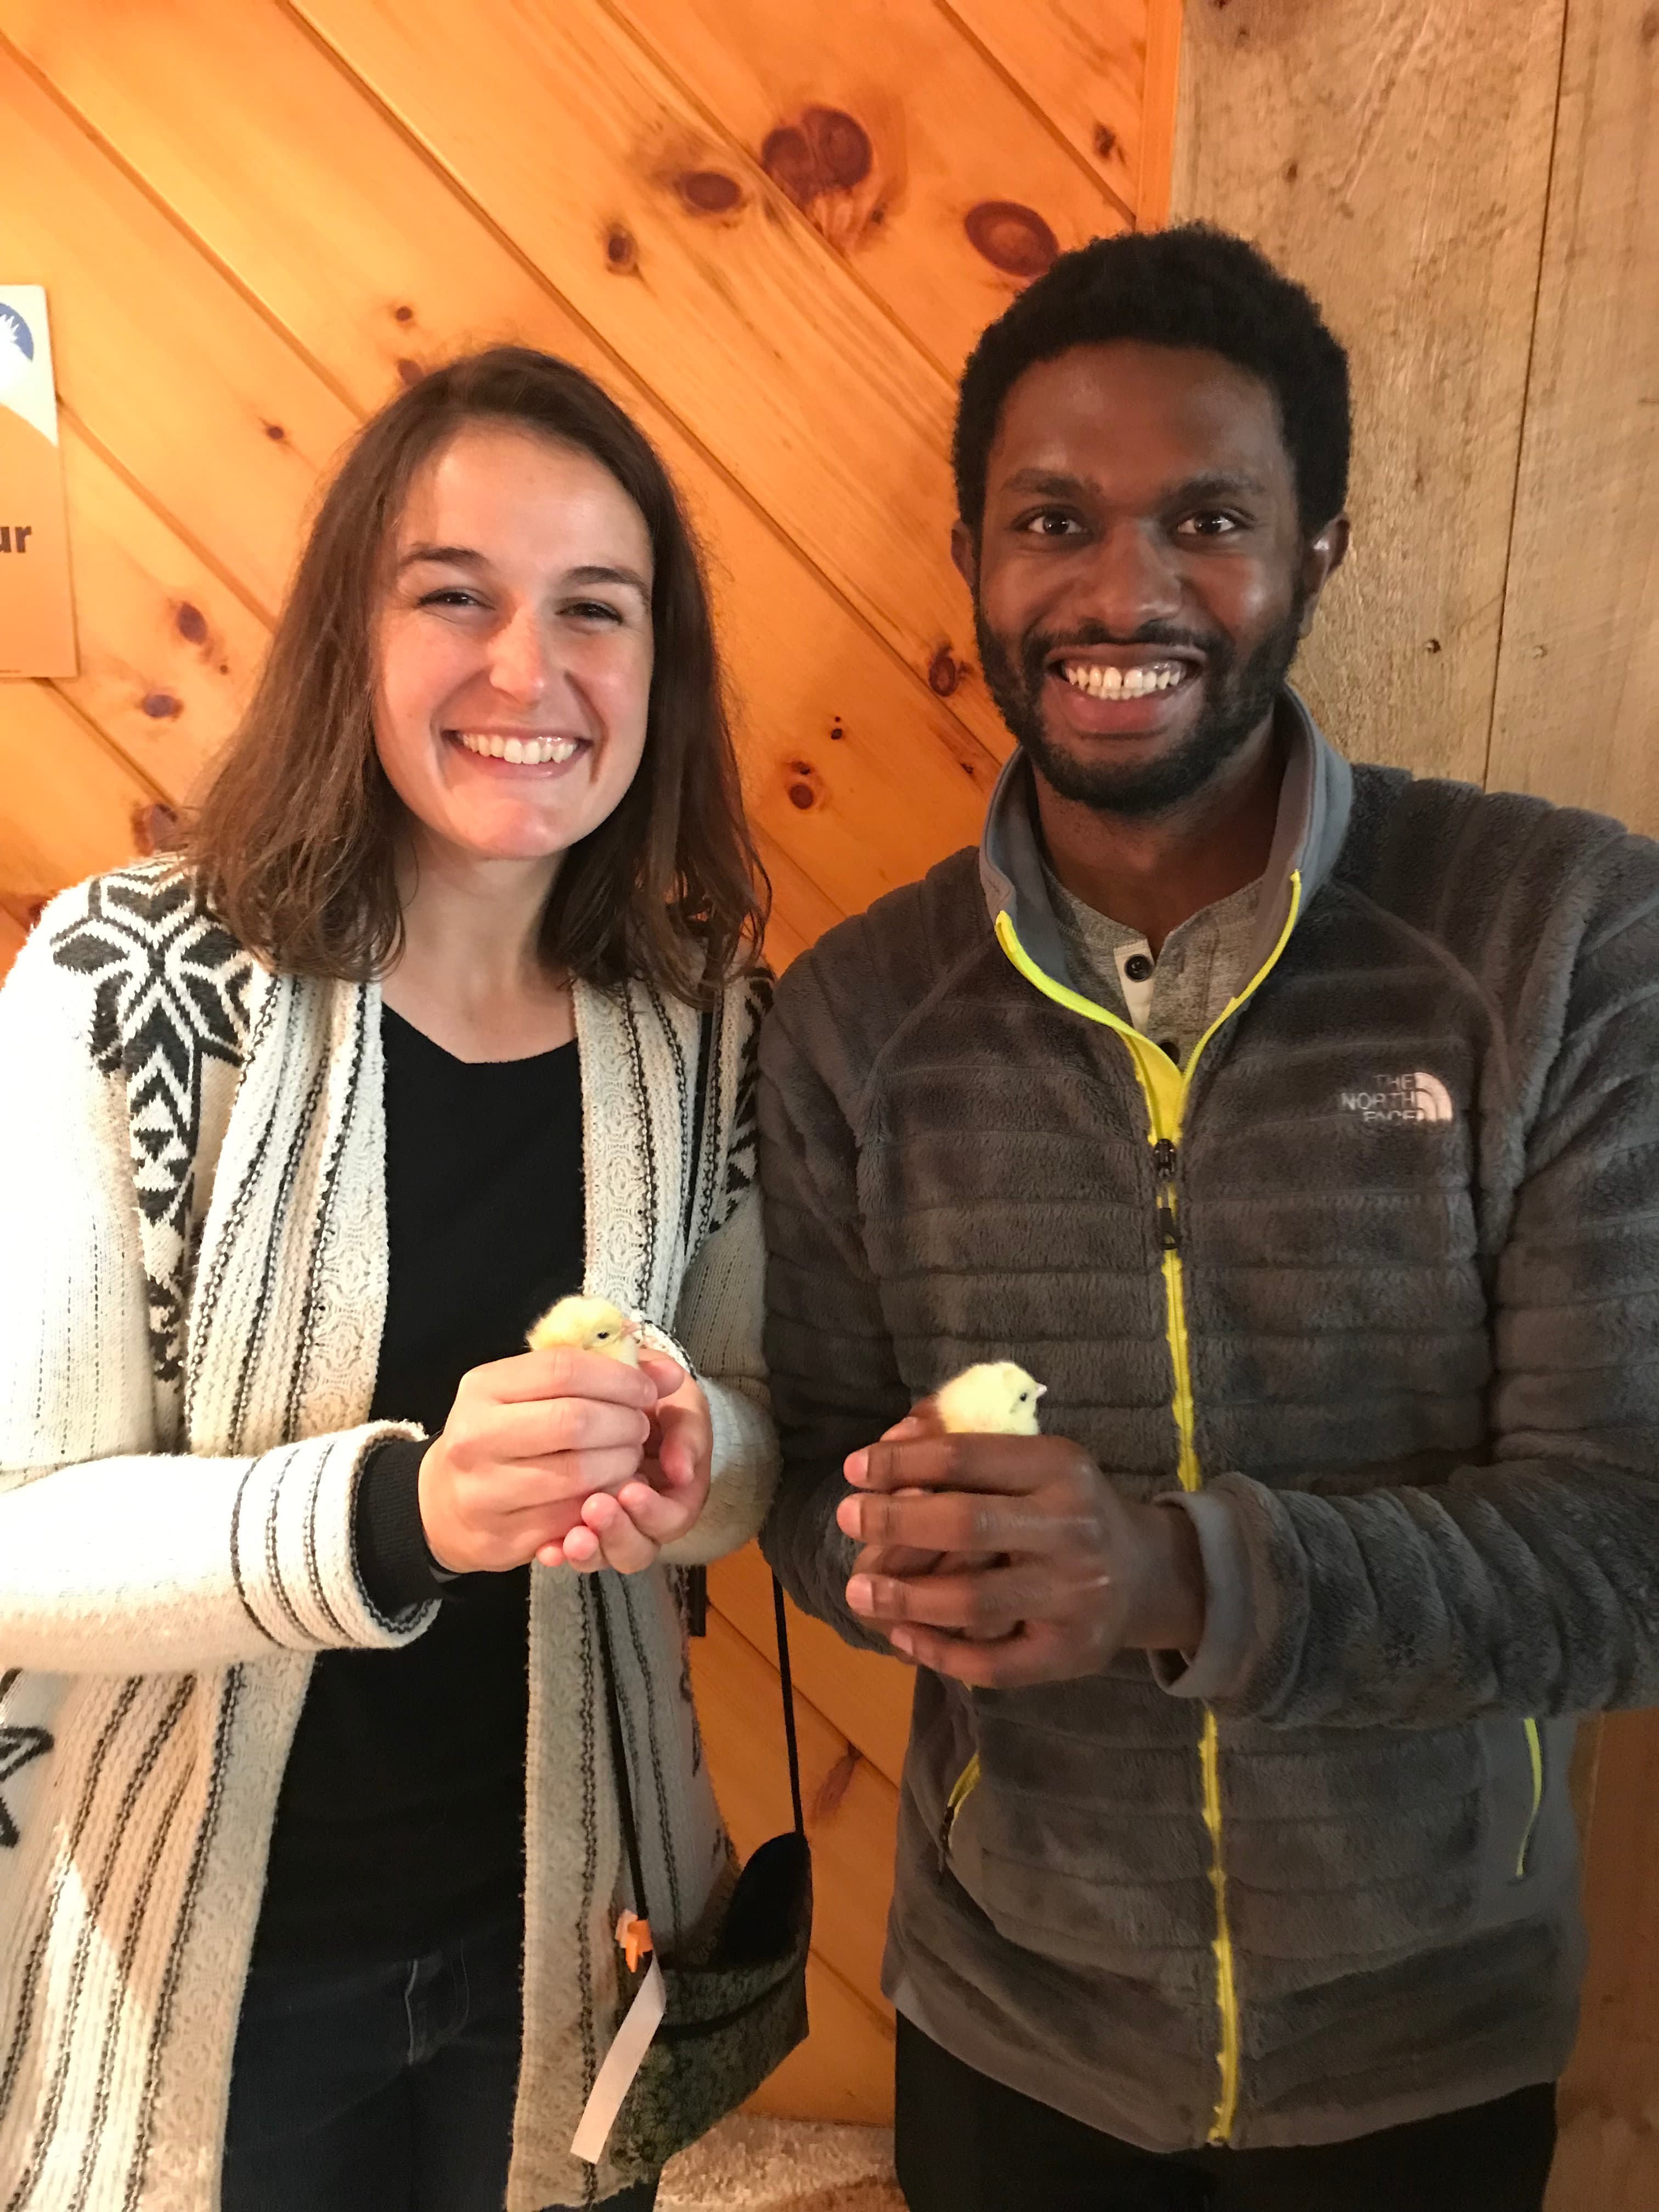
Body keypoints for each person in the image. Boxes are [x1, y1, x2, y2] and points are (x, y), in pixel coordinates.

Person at [758, 225, 1659, 2212]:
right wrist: (889, 1556)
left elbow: (1627, 1551)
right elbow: (812, 1498)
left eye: (1212, 519)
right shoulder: (853, 1014)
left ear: (1321, 546)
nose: (1123, 591)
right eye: (1053, 519)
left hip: (1427, 2040)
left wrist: (1175, 1578)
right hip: (1009, 2024)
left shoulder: (1562, 934)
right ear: (977, 556)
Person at [0, 348, 777, 2212]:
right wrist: (403, 1509)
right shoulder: (126, 989)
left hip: (572, 1945)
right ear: (350, 635)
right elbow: (14, 1537)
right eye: (457, 597)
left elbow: (753, 1440)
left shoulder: (699, 1024)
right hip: (199, 1963)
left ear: (657, 672)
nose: (532, 673)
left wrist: (696, 1461)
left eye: (597, 610)